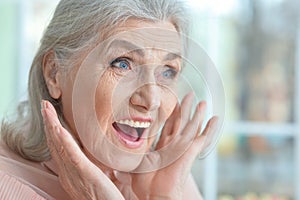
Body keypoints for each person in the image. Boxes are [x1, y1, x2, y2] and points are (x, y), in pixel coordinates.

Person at [0, 0, 219, 199]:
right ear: (54, 73)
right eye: (122, 63)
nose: (152, 100)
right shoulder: (7, 185)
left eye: (167, 71)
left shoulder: (162, 175)